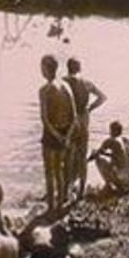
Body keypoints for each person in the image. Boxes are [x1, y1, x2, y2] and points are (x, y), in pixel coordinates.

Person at [63, 57, 107, 199]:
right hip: (84, 119)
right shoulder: (87, 83)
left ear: (68, 67)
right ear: (79, 68)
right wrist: (90, 108)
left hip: (70, 121)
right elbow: (102, 97)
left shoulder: (65, 81)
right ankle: (81, 190)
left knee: (68, 156)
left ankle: (65, 191)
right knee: (82, 157)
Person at [38, 54, 76, 212]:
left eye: (42, 67)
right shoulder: (66, 86)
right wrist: (66, 136)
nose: (41, 70)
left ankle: (50, 208)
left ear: (46, 69)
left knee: (49, 172)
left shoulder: (44, 90)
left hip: (51, 133)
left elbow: (44, 119)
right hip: (65, 130)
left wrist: (56, 135)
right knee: (59, 171)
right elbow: (74, 116)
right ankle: (60, 204)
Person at [90, 121, 129, 196]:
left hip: (122, 177)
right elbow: (119, 156)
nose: (110, 132)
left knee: (98, 158)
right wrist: (107, 155)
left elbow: (96, 153)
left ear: (114, 131)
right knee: (114, 161)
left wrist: (87, 160)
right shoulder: (125, 140)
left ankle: (109, 185)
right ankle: (124, 185)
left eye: (110, 130)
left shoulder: (110, 140)